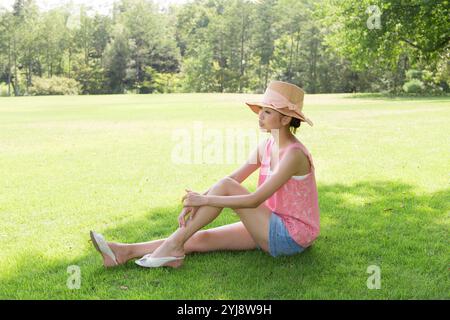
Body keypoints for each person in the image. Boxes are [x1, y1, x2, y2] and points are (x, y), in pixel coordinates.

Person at [90, 80, 320, 269]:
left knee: (224, 186)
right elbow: (235, 178)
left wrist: (205, 199)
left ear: (285, 118)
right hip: (269, 223)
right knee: (202, 237)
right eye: (261, 110)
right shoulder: (267, 146)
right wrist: (196, 201)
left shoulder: (294, 155)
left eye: (267, 111)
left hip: (290, 236)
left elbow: (254, 200)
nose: (260, 115)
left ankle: (174, 247)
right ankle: (124, 251)